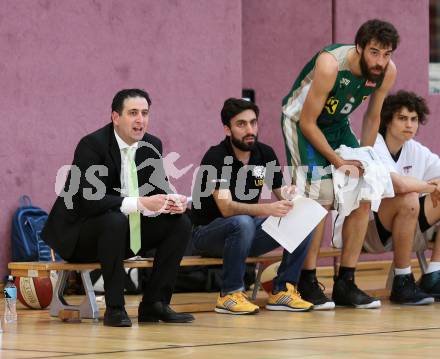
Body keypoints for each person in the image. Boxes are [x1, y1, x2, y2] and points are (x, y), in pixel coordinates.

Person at [42, 89, 194, 326]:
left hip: (122, 234)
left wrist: (171, 202)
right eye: (133, 113)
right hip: (80, 235)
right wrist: (140, 203)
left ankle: (155, 303)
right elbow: (88, 200)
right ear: (115, 117)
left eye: (145, 113)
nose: (140, 120)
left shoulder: (151, 145)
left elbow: (157, 189)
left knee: (180, 223)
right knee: (115, 219)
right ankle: (114, 308)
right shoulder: (92, 145)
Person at [281, 19, 399, 309]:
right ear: (358, 47)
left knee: (363, 192)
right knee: (319, 197)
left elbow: (373, 117)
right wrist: (338, 161)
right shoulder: (330, 65)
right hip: (301, 123)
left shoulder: (387, 72)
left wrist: (365, 159)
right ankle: (307, 280)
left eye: (386, 54)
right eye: (374, 52)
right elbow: (308, 122)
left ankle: (346, 282)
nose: (380, 61)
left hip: (337, 126)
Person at [191, 98, 314, 315]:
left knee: (304, 218)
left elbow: (280, 192)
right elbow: (227, 209)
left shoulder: (264, 153)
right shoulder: (216, 157)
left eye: (253, 123)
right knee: (242, 221)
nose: (250, 130)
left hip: (246, 233)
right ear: (227, 130)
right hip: (208, 235)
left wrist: (292, 195)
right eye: (241, 124)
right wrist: (267, 209)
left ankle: (283, 289)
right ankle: (230, 294)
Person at [364, 90, 440, 304]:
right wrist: (429, 186)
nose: (409, 125)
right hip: (367, 231)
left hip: (406, 226)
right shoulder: (374, 144)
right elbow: (398, 184)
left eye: (414, 119)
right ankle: (402, 280)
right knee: (408, 197)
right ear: (388, 120)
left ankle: (434, 274)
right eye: (402, 118)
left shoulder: (416, 149)